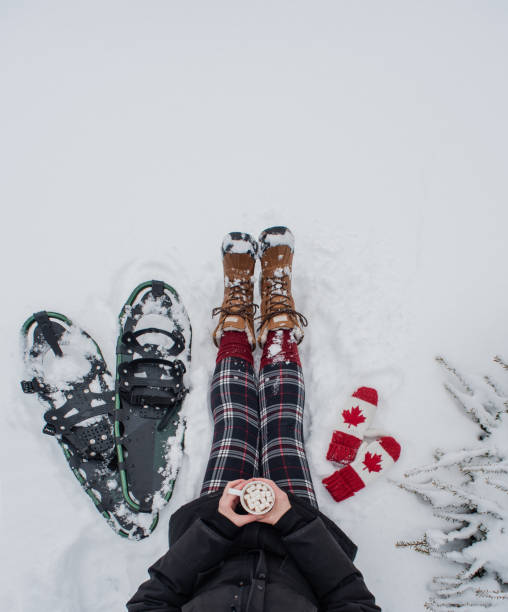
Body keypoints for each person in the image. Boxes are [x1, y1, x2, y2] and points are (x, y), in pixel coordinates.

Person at [127, 226, 381, 611]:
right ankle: (278, 323)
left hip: (214, 541)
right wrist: (292, 522)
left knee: (235, 425)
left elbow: (151, 602)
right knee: (282, 431)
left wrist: (217, 527)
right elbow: (352, 601)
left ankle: (236, 325)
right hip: (297, 547)